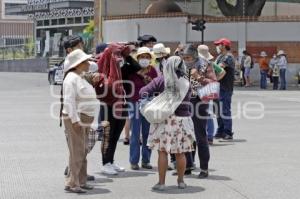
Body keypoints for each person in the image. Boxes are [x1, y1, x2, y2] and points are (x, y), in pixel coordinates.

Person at [140, 56, 194, 191]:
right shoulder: (186, 83)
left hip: (163, 120)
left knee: (162, 152)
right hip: (182, 120)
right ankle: (181, 181)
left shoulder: (161, 80)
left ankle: (161, 183)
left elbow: (142, 92)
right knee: (180, 153)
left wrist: (156, 98)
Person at [61, 49, 99, 193]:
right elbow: (69, 101)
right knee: (77, 151)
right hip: (77, 118)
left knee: (82, 150)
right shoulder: (71, 78)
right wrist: (75, 120)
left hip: (84, 118)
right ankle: (72, 183)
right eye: (85, 61)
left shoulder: (80, 76)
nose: (88, 63)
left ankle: (81, 180)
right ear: (77, 64)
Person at [183, 44, 217, 178]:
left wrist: (199, 77)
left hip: (200, 102)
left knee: (200, 135)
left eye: (189, 57)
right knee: (186, 135)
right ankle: (188, 165)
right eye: (184, 57)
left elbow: (213, 83)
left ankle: (204, 168)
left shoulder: (205, 65)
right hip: (184, 102)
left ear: (195, 56)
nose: (186, 60)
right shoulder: (182, 65)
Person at [128, 47, 158, 170]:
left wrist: (148, 81)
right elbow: (128, 85)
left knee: (147, 132)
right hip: (134, 102)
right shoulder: (132, 70)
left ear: (150, 59)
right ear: (138, 58)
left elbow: (157, 85)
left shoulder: (153, 71)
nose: (144, 59)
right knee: (135, 132)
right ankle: (134, 161)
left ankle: (146, 160)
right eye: (142, 57)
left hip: (149, 104)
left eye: (146, 57)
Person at [198, 44, 225, 145]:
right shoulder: (211, 63)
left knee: (201, 113)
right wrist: (215, 80)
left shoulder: (198, 63)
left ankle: (206, 136)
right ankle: (209, 137)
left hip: (201, 88)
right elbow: (222, 72)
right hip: (210, 88)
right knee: (208, 113)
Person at [214, 38, 235, 140]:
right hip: (217, 87)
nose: (217, 47)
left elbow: (219, 68)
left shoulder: (228, 57)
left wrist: (209, 63)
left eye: (219, 45)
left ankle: (228, 131)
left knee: (225, 110)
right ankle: (220, 130)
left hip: (225, 87)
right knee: (218, 110)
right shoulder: (220, 56)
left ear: (223, 45)